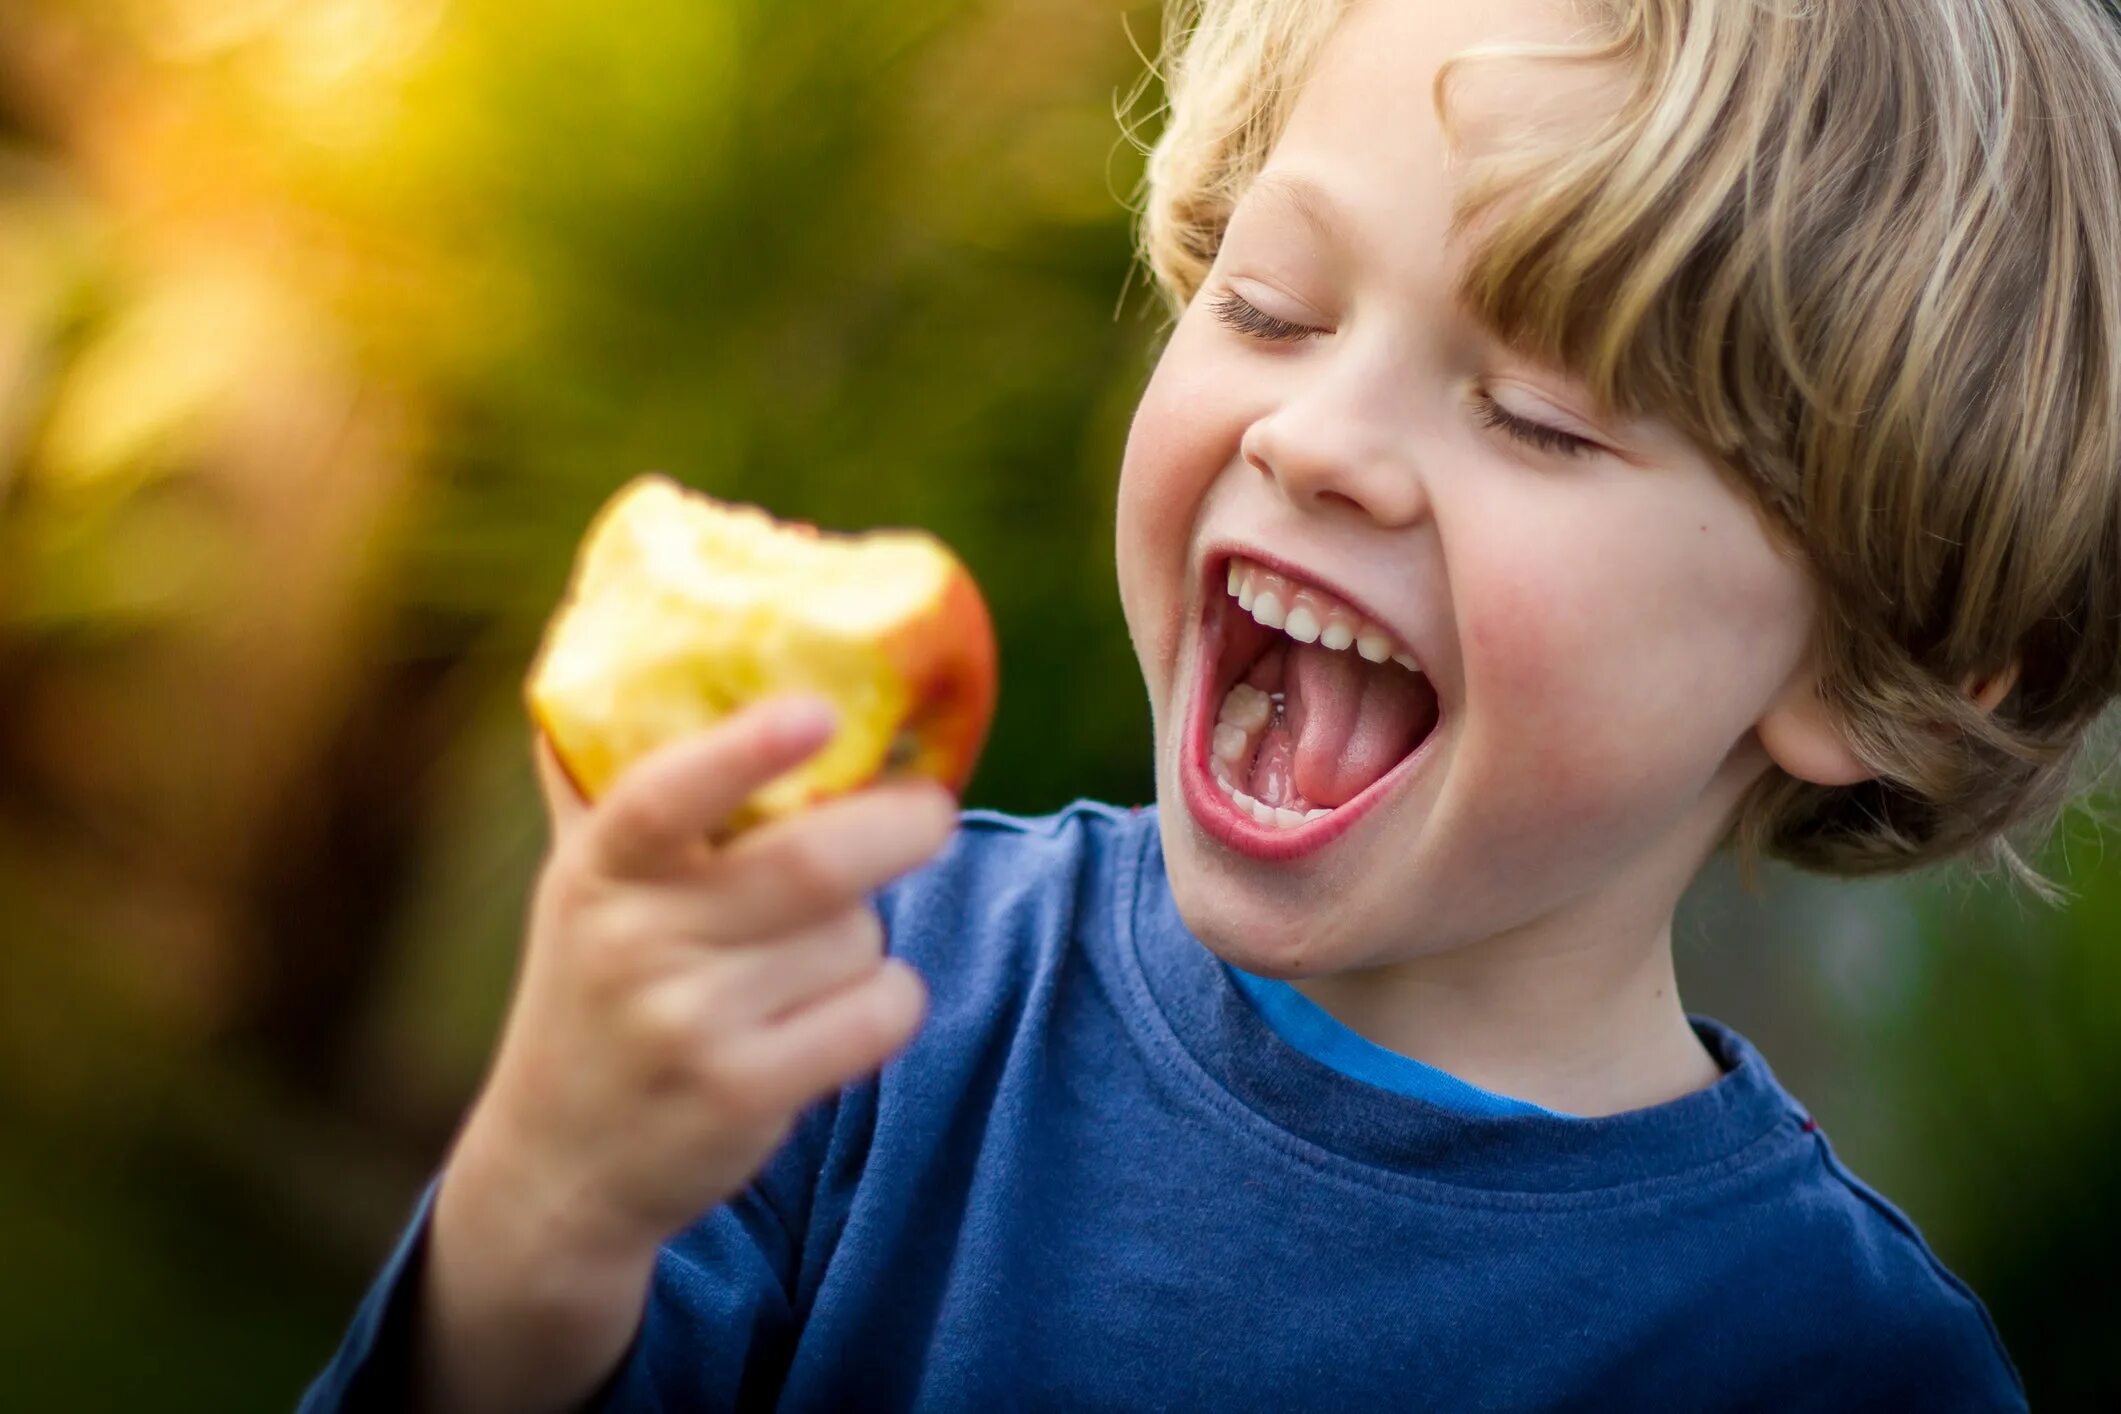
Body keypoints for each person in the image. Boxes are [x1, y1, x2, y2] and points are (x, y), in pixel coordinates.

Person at [303, 0, 2121, 1406]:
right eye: (1265, 306)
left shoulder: (1832, 1371)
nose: (1314, 439)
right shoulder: (857, 997)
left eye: (1542, 416)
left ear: (1876, 660)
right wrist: (540, 1220)